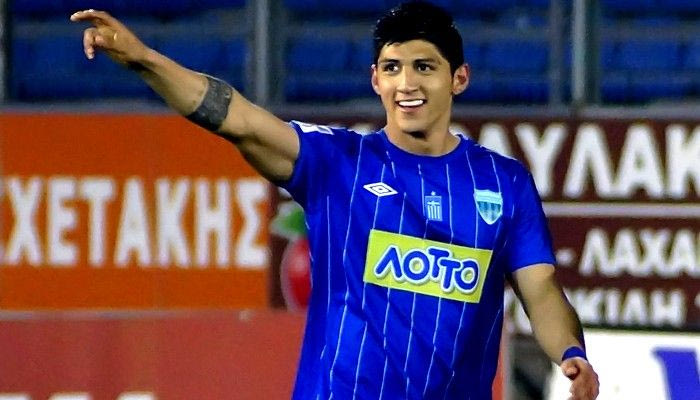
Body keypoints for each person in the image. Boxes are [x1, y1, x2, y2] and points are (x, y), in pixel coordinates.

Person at [71, 1, 599, 399]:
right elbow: (236, 118)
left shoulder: (504, 183)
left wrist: (570, 354)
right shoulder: (339, 163)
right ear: (375, 79)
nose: (406, 83)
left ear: (458, 78)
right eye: (392, 67)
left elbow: (540, 290)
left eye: (424, 66)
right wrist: (143, 59)